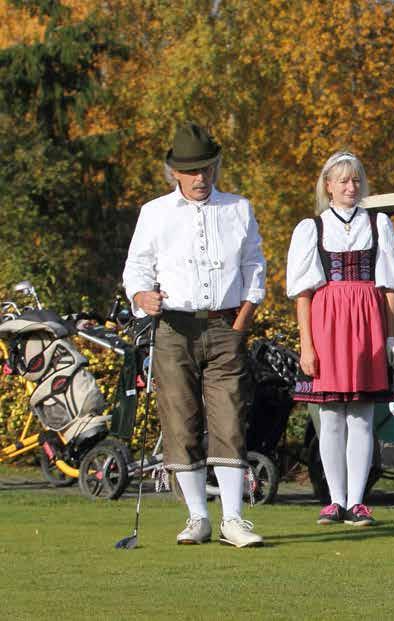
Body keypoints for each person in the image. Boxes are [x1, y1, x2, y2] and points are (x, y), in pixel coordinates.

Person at [123, 122, 266, 548]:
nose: (201, 178)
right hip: (173, 327)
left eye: (207, 169)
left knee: (229, 417)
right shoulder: (154, 212)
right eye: (192, 171)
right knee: (179, 418)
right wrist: (141, 295)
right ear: (175, 173)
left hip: (225, 324)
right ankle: (198, 516)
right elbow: (136, 267)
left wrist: (244, 317)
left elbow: (254, 265)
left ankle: (234, 520)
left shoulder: (238, 208)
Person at [286, 151, 394, 527]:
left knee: (361, 416)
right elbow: (302, 293)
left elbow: (389, 286)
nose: (350, 187)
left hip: (367, 324)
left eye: (355, 180)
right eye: (342, 180)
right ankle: (334, 499)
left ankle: (357, 501)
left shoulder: (378, 224)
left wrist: (390, 336)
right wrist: (306, 345)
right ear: (328, 186)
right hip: (327, 325)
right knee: (331, 416)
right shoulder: (313, 228)